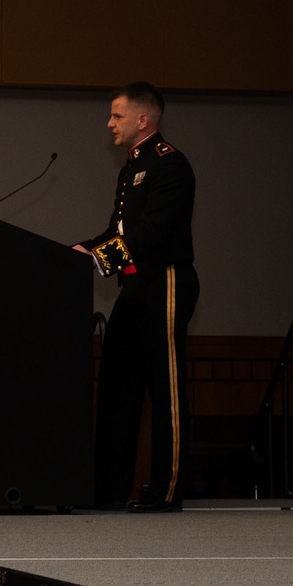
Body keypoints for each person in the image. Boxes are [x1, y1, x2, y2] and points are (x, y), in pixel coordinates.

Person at [74, 81, 199, 512]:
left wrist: (97, 260)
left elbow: (150, 235)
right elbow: (119, 232)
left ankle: (166, 490)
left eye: (117, 116)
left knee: (166, 390)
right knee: (116, 387)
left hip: (164, 282)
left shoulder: (171, 165)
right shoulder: (130, 169)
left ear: (143, 119)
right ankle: (107, 490)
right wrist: (83, 250)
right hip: (136, 286)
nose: (109, 123)